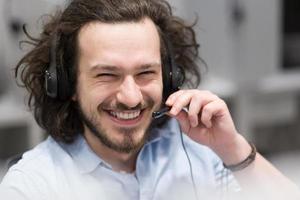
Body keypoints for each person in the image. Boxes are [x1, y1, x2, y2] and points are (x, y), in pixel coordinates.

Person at [0, 0, 299, 199]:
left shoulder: (199, 154)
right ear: (68, 84)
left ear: (169, 78)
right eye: (107, 75)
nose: (131, 97)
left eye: (145, 73)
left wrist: (231, 147)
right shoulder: (32, 186)